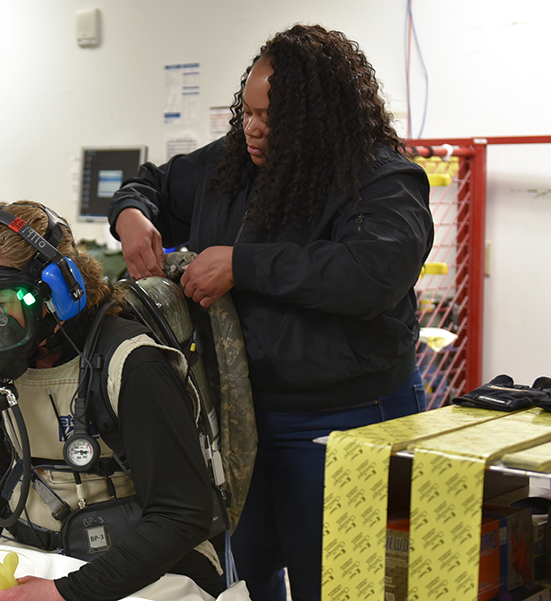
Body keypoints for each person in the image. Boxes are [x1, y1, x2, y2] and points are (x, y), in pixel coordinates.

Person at [108, 23, 434, 601]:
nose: (253, 129)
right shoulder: (228, 166)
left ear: (317, 120)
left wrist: (244, 265)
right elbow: (151, 184)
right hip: (241, 416)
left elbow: (372, 273)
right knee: (246, 575)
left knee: (335, 584)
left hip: (346, 416)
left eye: (271, 118)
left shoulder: (380, 178)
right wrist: (131, 215)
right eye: (248, 112)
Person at [0, 200, 226, 601]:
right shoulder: (9, 363)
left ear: (57, 294)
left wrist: (67, 593)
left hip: (139, 570)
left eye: (1, 304)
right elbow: (3, 463)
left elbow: (181, 516)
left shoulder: (132, 365)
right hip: (36, 559)